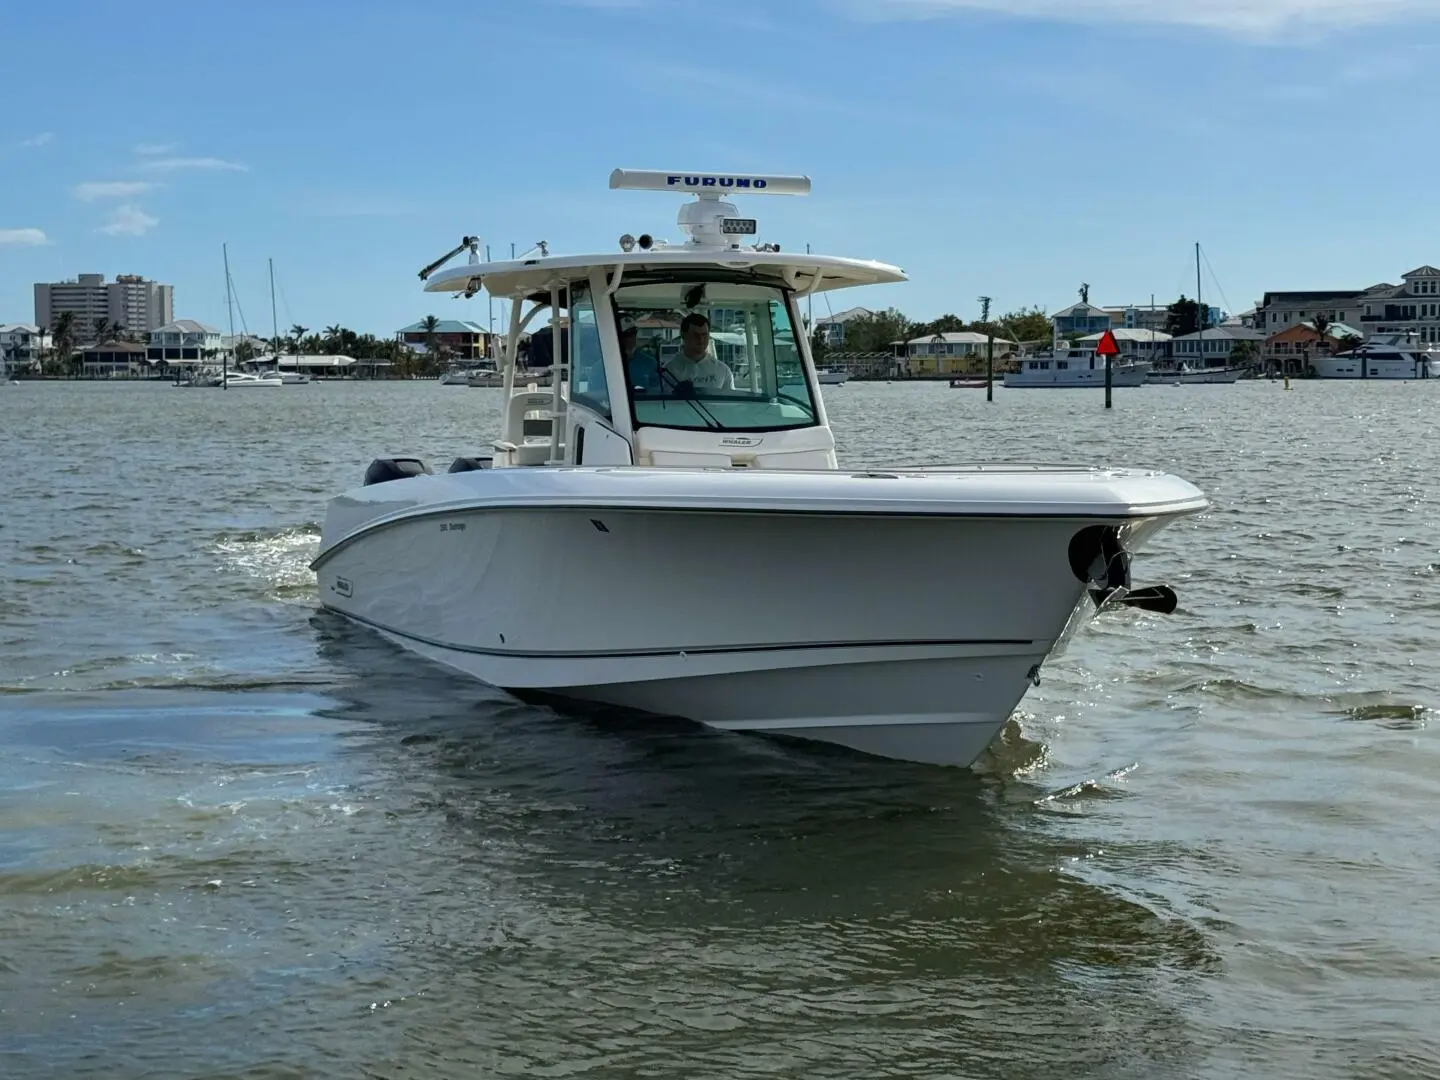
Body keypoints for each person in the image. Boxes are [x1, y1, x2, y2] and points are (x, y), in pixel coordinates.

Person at [661, 313, 733, 395]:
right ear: (683, 335)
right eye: (695, 335)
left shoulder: (723, 371)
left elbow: (731, 404)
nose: (701, 340)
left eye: (704, 335)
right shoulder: (669, 370)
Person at [618, 315, 661, 393]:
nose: (630, 337)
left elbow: (659, 391)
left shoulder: (650, 362)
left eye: (633, 332)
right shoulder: (601, 367)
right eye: (625, 334)